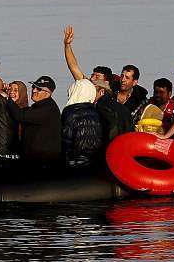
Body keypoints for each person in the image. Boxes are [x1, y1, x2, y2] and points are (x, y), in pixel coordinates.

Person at [61, 26, 108, 166]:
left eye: (96, 77)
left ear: (105, 83)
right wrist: (67, 45)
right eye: (92, 76)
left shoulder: (106, 96)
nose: (92, 78)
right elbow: (73, 65)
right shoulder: (86, 86)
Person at [6, 75, 61, 166]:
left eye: (39, 89)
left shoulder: (48, 108)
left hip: (43, 161)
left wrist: (9, 99)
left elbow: (20, 115)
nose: (34, 90)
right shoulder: (39, 107)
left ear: (48, 93)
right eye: (33, 87)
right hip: (35, 159)